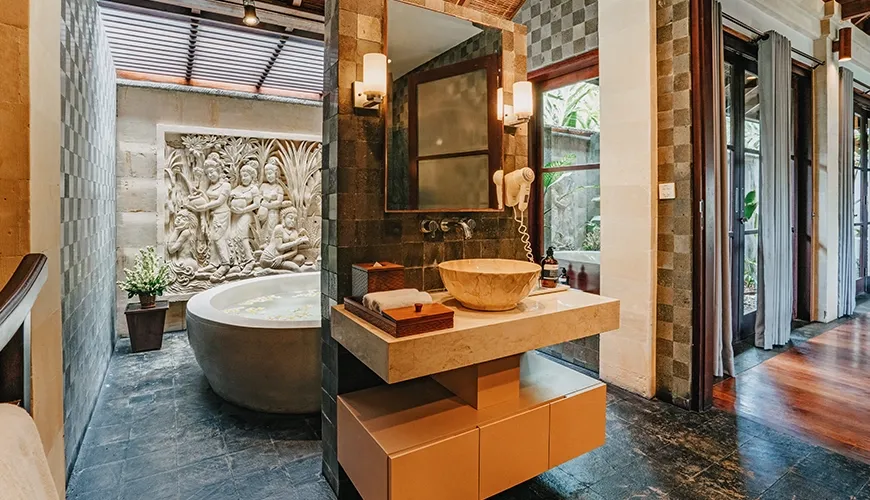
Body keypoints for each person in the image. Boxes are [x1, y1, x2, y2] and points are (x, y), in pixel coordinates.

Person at [229, 161, 262, 275]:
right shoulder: (237, 188)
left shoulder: (254, 189)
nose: (244, 178)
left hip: (246, 214)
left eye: (246, 176)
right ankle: (236, 263)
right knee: (232, 236)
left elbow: (256, 204)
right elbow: (229, 201)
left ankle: (250, 260)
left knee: (242, 236)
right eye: (242, 176)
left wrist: (243, 210)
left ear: (252, 176)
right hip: (235, 215)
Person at [258, 206, 310, 271]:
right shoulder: (279, 228)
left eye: (295, 219)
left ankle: (281, 267)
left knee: (301, 258)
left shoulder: (295, 232)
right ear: (283, 218)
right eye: (290, 218)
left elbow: (294, 251)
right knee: (295, 268)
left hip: (281, 257)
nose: (293, 220)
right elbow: (279, 247)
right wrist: (296, 242)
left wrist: (282, 257)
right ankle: (272, 271)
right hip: (269, 258)